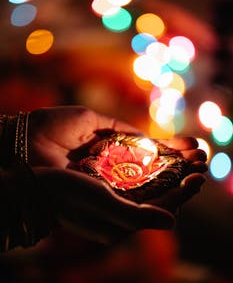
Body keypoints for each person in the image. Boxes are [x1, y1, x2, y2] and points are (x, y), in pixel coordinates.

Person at [0, 105, 207, 252]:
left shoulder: (159, 165)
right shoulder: (98, 160)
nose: (127, 171)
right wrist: (25, 203)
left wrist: (15, 134)